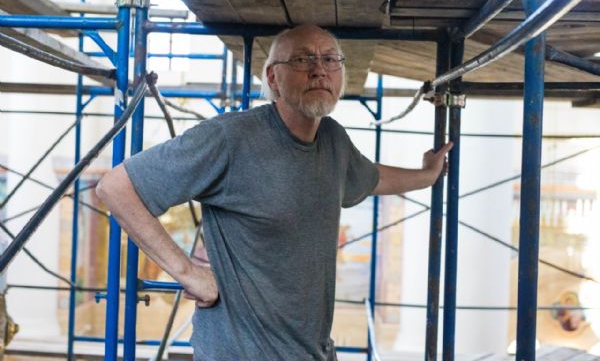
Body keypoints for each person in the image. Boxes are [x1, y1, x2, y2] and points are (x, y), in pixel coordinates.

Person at [96, 25, 452, 361]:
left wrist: (427, 175)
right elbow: (116, 187)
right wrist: (188, 273)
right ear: (272, 78)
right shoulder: (230, 139)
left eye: (330, 59)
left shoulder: (333, 141)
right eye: (302, 59)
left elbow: (371, 178)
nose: (319, 70)